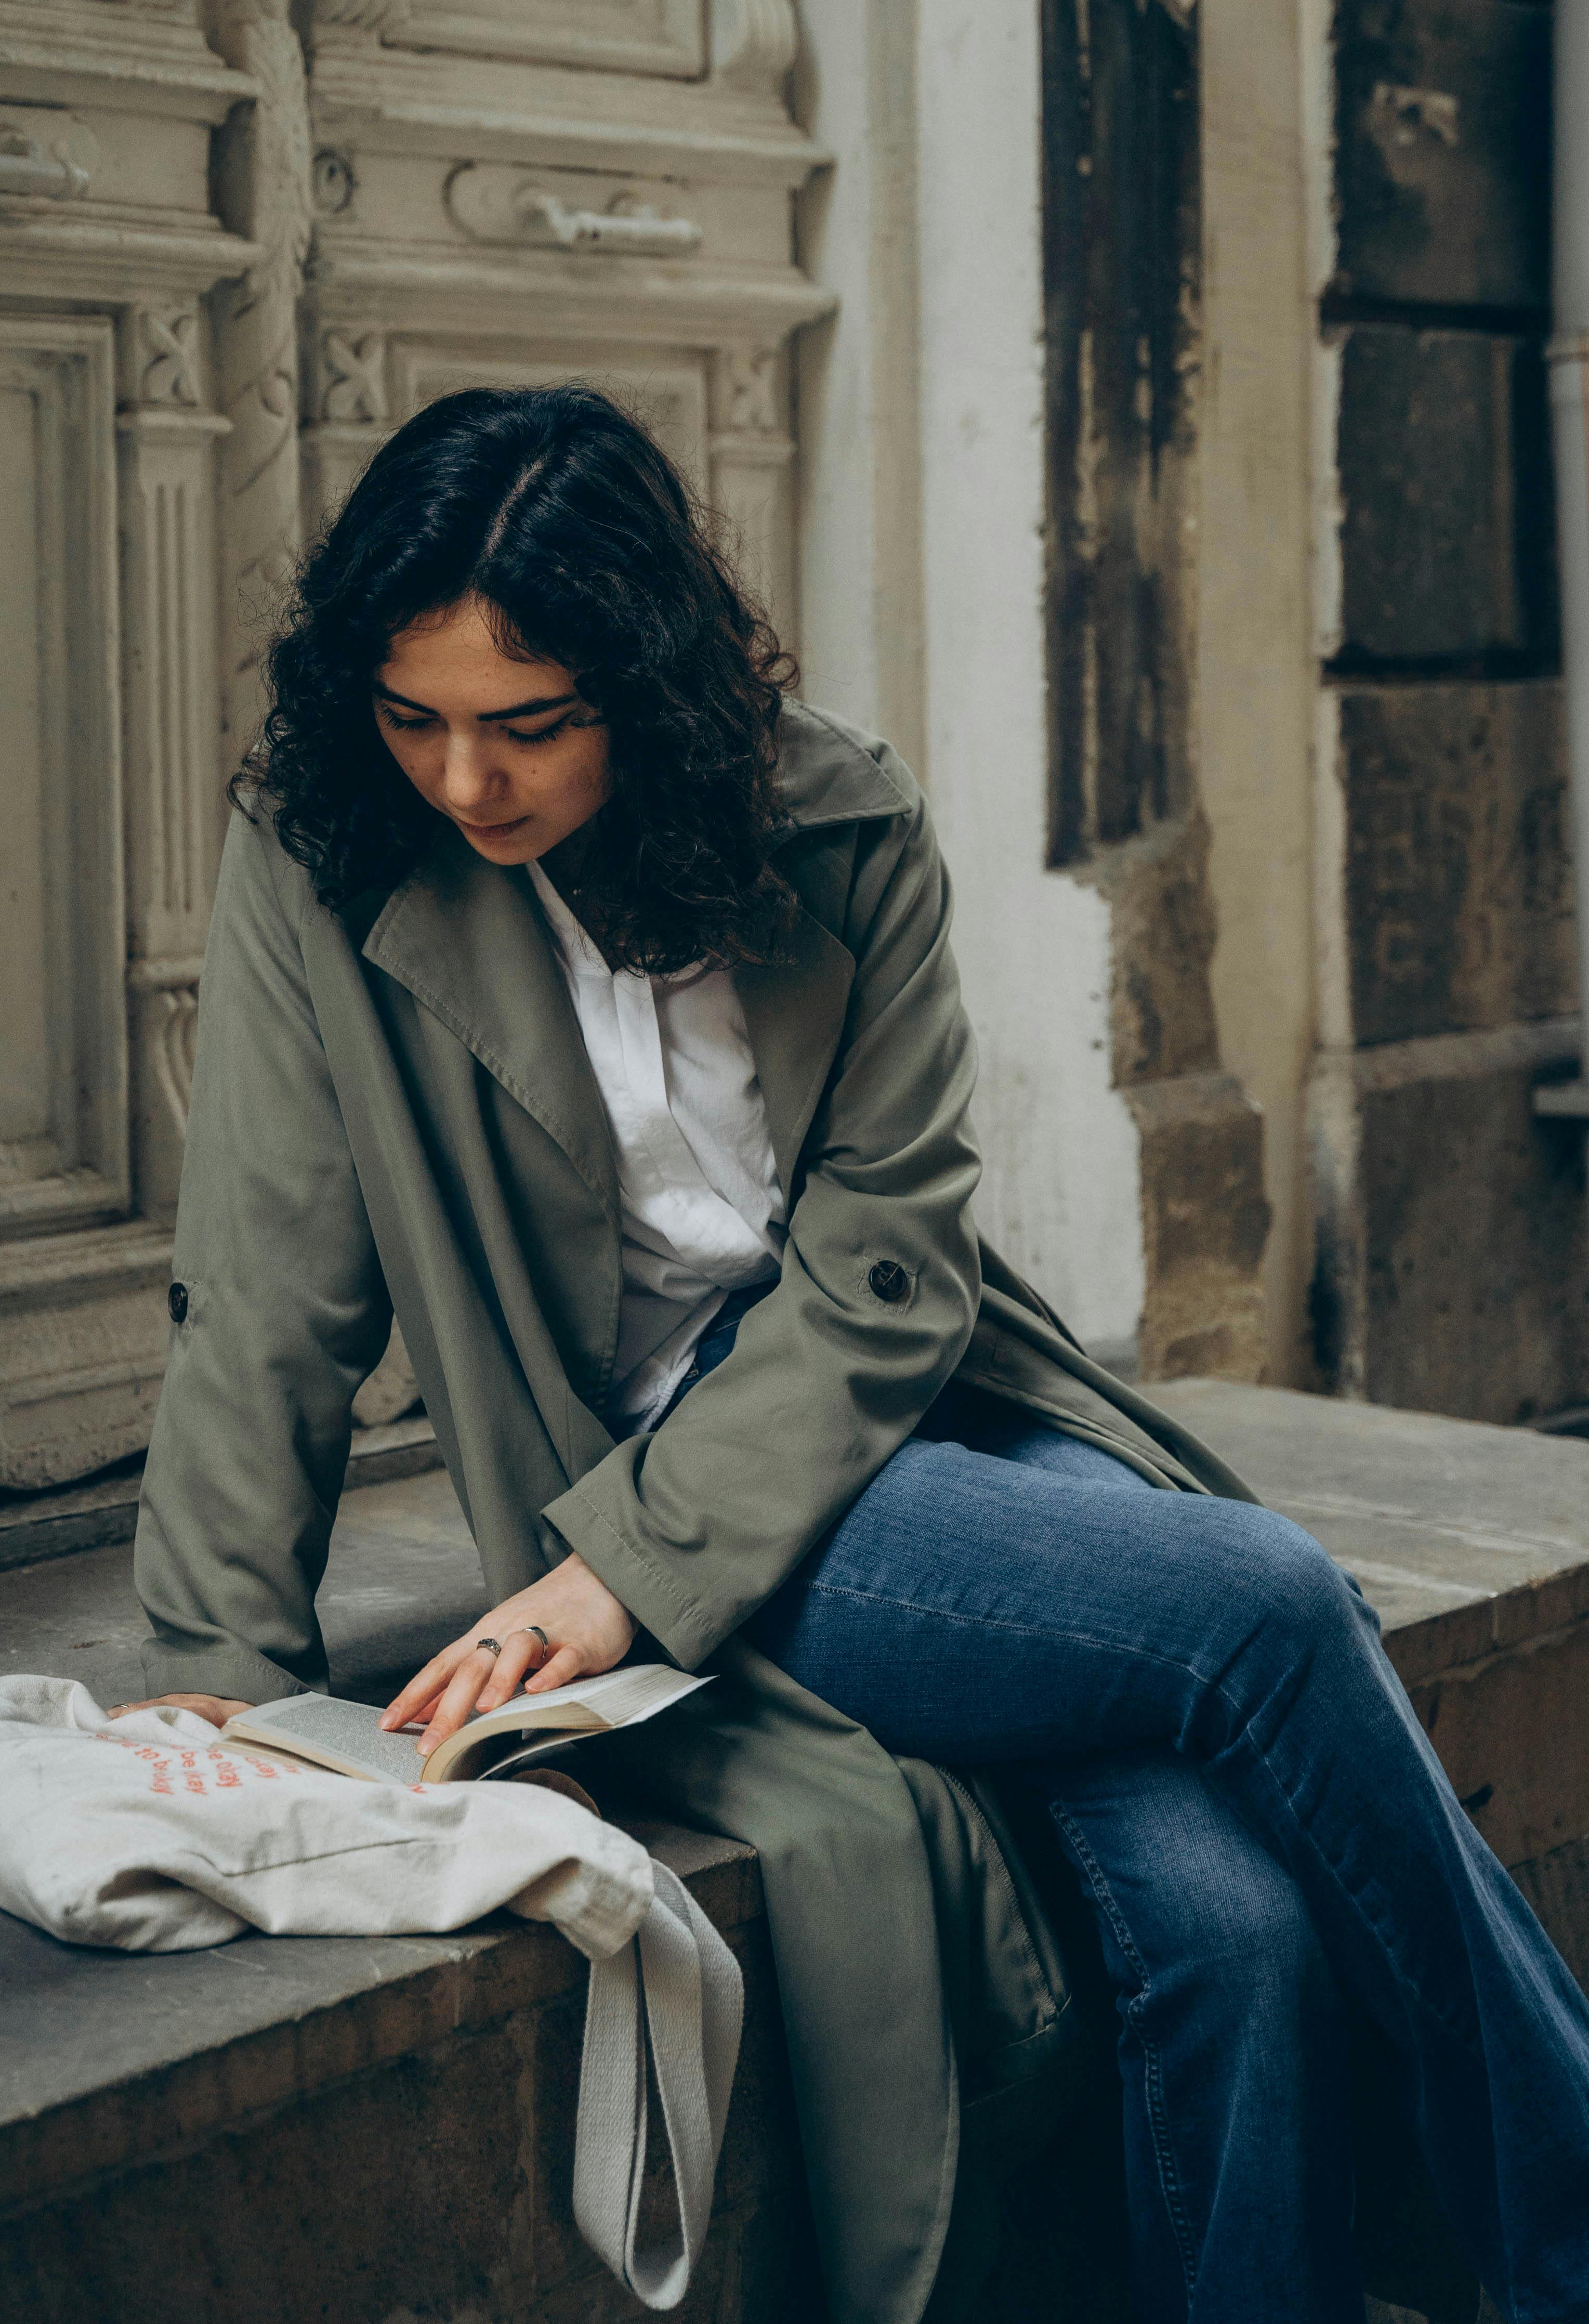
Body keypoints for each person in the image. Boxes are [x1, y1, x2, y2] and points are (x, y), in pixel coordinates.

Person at [126, 384, 1589, 2324]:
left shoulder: (840, 816)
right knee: (1261, 1611)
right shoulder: (323, 850)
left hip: (918, 1390)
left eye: (528, 722)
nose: (464, 781)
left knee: (1237, 1916)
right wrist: (232, 1674)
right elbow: (272, 1285)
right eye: (416, 717)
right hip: (645, 1479)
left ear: (642, 685)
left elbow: (887, 1254)